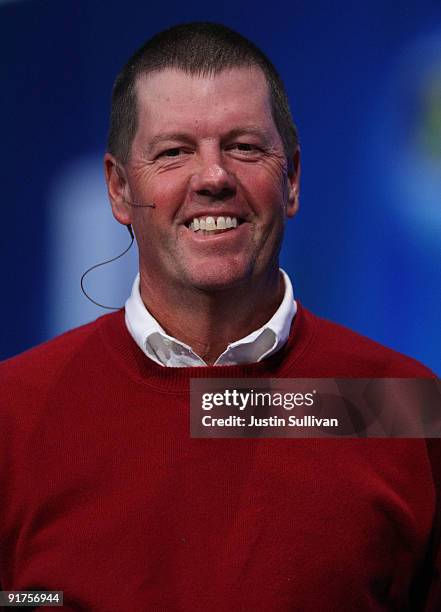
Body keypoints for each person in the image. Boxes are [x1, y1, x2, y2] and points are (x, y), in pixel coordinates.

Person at [1, 22, 439, 611]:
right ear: (118, 189)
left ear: (293, 180)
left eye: (244, 147)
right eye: (174, 152)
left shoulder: (400, 404)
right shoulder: (13, 413)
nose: (213, 178)